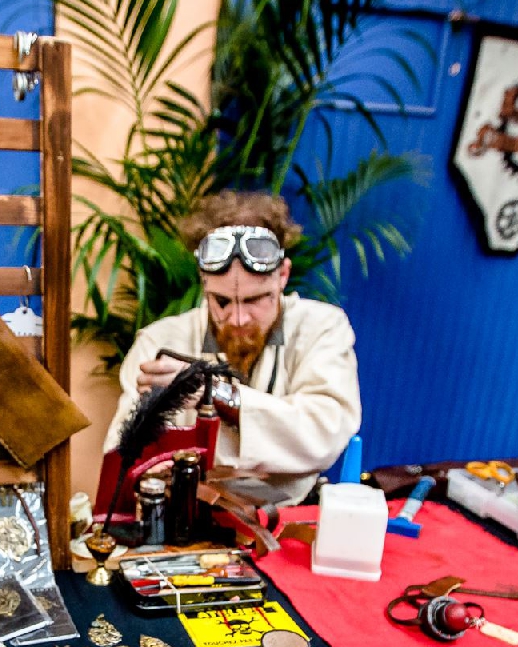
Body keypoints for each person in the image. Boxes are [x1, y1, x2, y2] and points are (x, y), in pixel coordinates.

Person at [103, 191, 361, 506]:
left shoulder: (322, 328)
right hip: (183, 514)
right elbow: (122, 452)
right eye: (222, 301)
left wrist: (214, 393)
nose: (238, 319)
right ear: (204, 281)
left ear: (283, 275)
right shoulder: (160, 342)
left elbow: (326, 430)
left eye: (255, 300)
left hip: (287, 513)